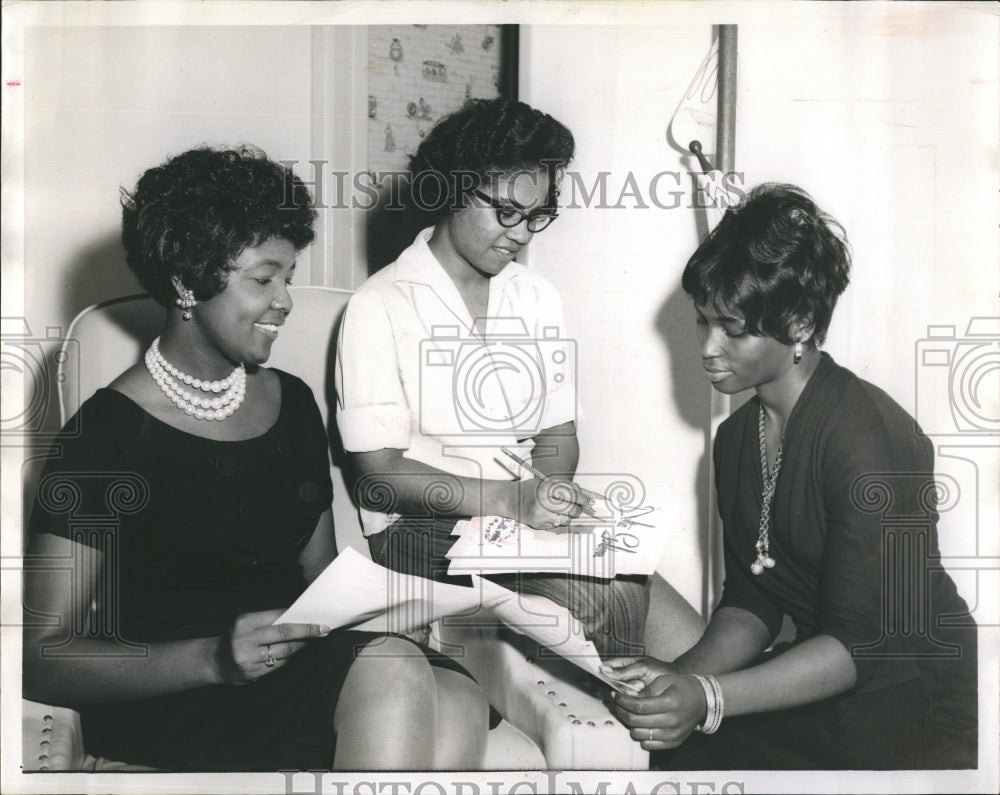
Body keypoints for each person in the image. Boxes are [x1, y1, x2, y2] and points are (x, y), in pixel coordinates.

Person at [22, 145, 489, 772]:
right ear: (188, 282)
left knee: (457, 694)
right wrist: (215, 657)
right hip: (183, 689)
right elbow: (42, 655)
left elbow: (320, 582)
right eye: (263, 279)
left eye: (288, 278)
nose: (286, 301)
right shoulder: (102, 438)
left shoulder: (291, 404)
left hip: (291, 665)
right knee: (396, 674)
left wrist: (382, 612)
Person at [604, 183, 978, 769]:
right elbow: (754, 599)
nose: (707, 347)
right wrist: (677, 681)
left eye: (732, 328)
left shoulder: (866, 437)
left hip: (914, 703)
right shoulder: (734, 440)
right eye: (703, 321)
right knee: (666, 754)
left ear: (800, 321)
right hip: (829, 675)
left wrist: (706, 699)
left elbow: (859, 647)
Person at [336, 98, 701, 660]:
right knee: (611, 602)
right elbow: (379, 477)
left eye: (536, 217)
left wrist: (547, 495)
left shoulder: (535, 295)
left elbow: (558, 435)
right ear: (452, 189)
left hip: (514, 523)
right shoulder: (378, 304)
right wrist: (508, 500)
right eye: (506, 212)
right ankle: (636, 730)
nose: (521, 235)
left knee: (695, 643)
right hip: (421, 530)